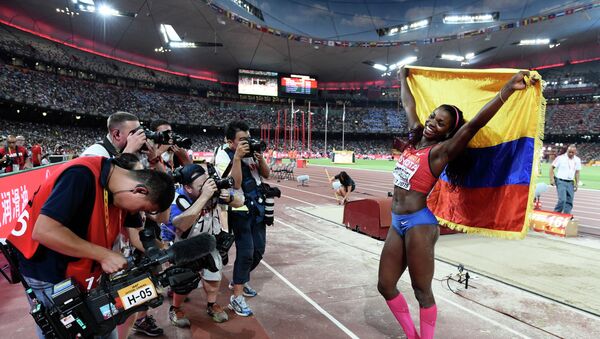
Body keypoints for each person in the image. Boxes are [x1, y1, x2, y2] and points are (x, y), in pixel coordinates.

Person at [378, 67, 536, 339]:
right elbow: (408, 103)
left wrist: (508, 88)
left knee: (421, 291)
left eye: (441, 123)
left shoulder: (441, 151)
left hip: (419, 225)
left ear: (448, 132)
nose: (432, 123)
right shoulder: (415, 137)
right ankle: (412, 335)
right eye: (432, 117)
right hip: (397, 222)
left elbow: (475, 124)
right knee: (385, 285)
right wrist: (403, 77)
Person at [7, 156, 175, 339]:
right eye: (142, 208)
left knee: (104, 324)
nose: (137, 213)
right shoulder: (80, 175)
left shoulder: (120, 189)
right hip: (47, 268)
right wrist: (104, 255)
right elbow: (44, 231)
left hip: (83, 269)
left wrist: (170, 254)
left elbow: (137, 236)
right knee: (66, 331)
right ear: (139, 190)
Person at [166, 164, 244, 327]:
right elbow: (181, 224)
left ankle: (211, 304)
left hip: (209, 242)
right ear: (187, 187)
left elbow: (240, 201)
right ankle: (176, 308)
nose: (207, 187)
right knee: (183, 281)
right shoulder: (178, 198)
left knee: (214, 275)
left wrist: (228, 197)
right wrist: (203, 197)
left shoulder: (213, 192)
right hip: (186, 246)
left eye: (207, 182)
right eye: (201, 186)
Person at [215, 121, 270, 317]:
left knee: (259, 251)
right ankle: (237, 297)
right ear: (231, 142)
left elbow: (267, 174)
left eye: (248, 138)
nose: (246, 142)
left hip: (258, 206)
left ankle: (240, 279)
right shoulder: (224, 156)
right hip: (238, 207)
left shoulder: (251, 152)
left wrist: (260, 158)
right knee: (246, 252)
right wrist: (238, 158)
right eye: (241, 140)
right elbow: (236, 184)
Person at [81, 111, 147, 157]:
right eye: (133, 133)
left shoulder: (118, 151)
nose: (138, 137)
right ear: (117, 135)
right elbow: (113, 176)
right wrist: (128, 153)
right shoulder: (96, 155)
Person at [549, 144, 581, 214]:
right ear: (567, 151)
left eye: (573, 152)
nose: (571, 153)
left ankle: (566, 217)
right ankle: (555, 214)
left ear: (575, 152)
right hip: (561, 181)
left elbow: (577, 172)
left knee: (569, 201)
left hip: (570, 182)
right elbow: (552, 168)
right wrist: (551, 179)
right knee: (562, 200)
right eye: (569, 152)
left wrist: (577, 183)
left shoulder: (577, 160)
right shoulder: (560, 158)